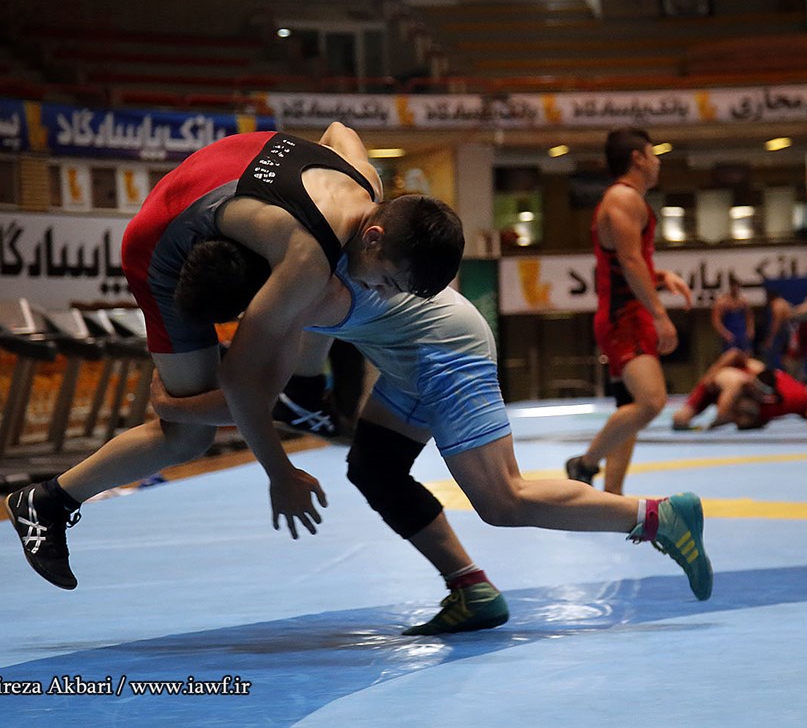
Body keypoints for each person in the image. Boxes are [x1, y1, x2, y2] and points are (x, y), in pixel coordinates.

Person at [150, 237, 713, 634]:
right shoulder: (292, 255)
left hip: (444, 350)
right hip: (410, 350)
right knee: (375, 467)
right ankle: (471, 589)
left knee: (504, 500)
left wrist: (172, 406)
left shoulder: (292, 296)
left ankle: (658, 516)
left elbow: (256, 398)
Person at [4, 123, 464, 590]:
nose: (380, 294)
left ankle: (300, 392)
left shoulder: (364, 179)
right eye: (387, 281)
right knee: (188, 438)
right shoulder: (307, 262)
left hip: (209, 174)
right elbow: (241, 384)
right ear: (373, 238)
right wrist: (280, 473)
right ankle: (47, 501)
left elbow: (338, 129)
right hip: (158, 241)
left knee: (284, 338)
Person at [564, 128, 693, 495]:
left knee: (632, 410)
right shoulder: (624, 197)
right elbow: (630, 260)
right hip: (625, 318)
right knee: (652, 402)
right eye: (653, 154)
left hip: (625, 314)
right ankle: (584, 464)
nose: (658, 162)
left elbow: (626, 262)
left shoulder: (625, 199)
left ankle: (613, 495)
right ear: (638, 158)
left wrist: (660, 276)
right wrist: (660, 315)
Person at [671, 349, 807, 431]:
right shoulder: (738, 380)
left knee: (747, 413)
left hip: (756, 392)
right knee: (679, 420)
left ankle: (746, 415)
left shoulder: (791, 396)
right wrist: (711, 373)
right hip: (713, 387)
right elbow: (722, 416)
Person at [711, 276, 754, 354]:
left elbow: (749, 317)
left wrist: (750, 330)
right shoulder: (722, 302)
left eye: (737, 286)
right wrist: (725, 334)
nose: (735, 288)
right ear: (730, 286)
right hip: (730, 332)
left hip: (742, 332)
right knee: (730, 356)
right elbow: (716, 320)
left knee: (746, 355)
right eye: (733, 286)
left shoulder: (743, 301)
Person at [761, 288, 793, 372]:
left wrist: (770, 338)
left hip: (780, 332)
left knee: (773, 353)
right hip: (788, 330)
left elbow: (776, 323)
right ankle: (786, 371)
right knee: (785, 355)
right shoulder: (785, 303)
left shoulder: (775, 305)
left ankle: (777, 372)